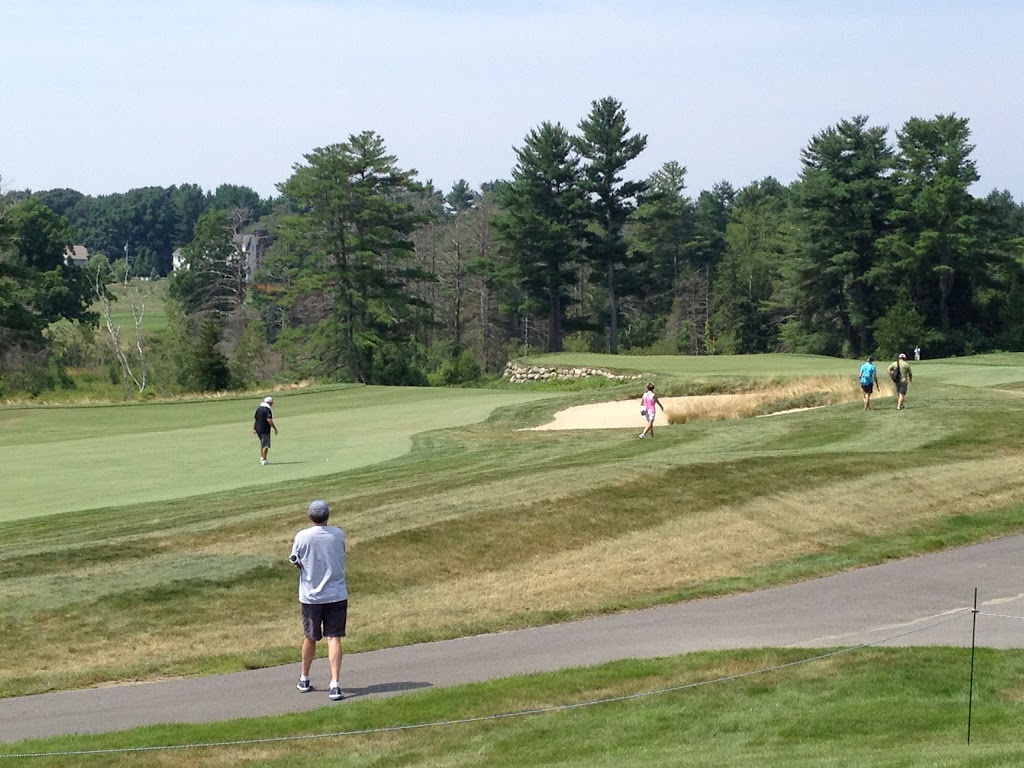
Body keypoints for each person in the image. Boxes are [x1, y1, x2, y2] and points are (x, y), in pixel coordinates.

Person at [290, 499, 348, 701]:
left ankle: (304, 678)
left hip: (311, 596)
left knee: (310, 636)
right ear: (327, 516)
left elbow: (295, 561)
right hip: (336, 594)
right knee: (334, 637)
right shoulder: (338, 534)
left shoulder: (302, 537)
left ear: (310, 517)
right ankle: (335, 684)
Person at [253, 396, 278, 465]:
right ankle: (264, 460)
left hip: (258, 429)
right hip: (264, 429)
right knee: (266, 445)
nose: (272, 404)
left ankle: (262, 457)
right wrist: (274, 428)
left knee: (263, 443)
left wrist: (254, 428)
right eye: (271, 403)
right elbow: (269, 419)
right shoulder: (267, 409)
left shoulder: (259, 409)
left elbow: (255, 419)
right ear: (269, 402)